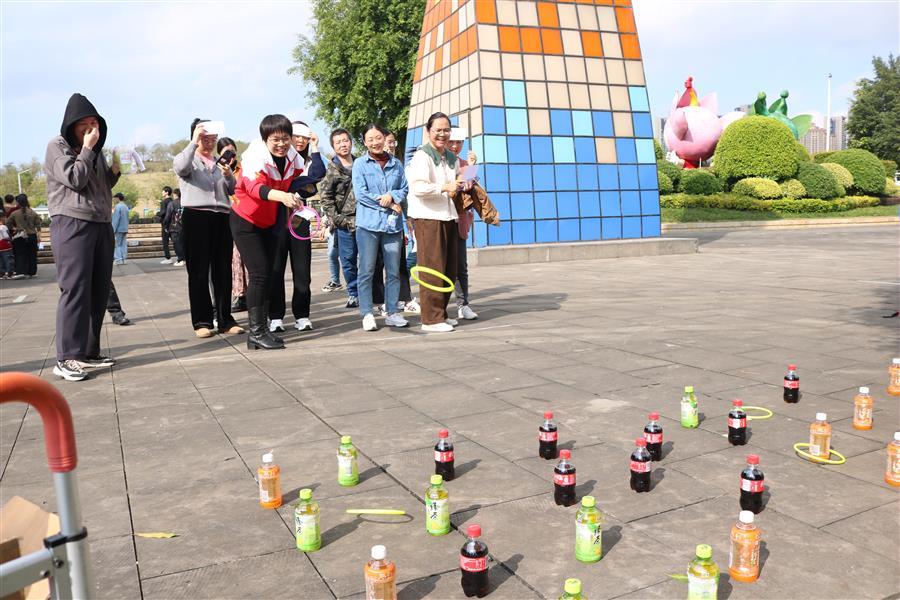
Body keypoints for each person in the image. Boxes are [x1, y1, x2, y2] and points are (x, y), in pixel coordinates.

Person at [44, 93, 120, 381]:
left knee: (98, 289)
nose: (91, 129)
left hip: (101, 222)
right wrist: (87, 149)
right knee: (75, 289)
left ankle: (88, 351)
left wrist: (114, 171)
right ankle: (67, 357)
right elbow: (74, 179)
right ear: (71, 125)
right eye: (84, 125)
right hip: (71, 223)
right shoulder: (57, 146)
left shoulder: (95, 151)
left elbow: (98, 184)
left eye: (95, 124)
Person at [231, 114, 304, 350]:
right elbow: (254, 188)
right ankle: (256, 332)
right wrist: (282, 196)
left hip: (271, 220)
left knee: (269, 275)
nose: (281, 144)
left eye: (285, 138)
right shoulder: (255, 155)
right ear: (265, 140)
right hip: (246, 220)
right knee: (259, 273)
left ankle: (261, 330)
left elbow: (301, 179)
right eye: (275, 139)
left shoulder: (293, 156)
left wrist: (300, 194)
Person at [173, 118, 243, 338]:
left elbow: (231, 189)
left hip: (221, 216)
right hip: (196, 216)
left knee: (223, 270)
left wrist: (228, 175)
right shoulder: (187, 158)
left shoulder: (219, 162)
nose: (210, 142)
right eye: (206, 138)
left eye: (213, 138)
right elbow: (181, 168)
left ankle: (225, 319)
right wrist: (194, 142)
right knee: (198, 271)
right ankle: (202, 321)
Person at [406, 112, 465, 333]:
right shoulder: (422, 156)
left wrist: (461, 182)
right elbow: (418, 187)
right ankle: (430, 319)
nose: (442, 134)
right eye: (438, 130)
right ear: (428, 131)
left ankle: (441, 313)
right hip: (428, 218)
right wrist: (444, 187)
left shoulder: (450, 157)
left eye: (446, 130)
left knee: (449, 269)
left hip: (448, 216)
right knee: (432, 268)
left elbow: (456, 181)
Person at [267, 121, 326, 333]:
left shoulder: (308, 162)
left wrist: (316, 147)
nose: (300, 140)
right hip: (275, 220)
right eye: (296, 136)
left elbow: (318, 174)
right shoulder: (275, 160)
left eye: (304, 137)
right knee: (275, 271)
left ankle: (302, 315)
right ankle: (275, 317)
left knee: (302, 271)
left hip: (299, 221)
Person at [351, 123, 409, 332]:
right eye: (370, 139)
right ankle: (367, 313)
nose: (375, 142)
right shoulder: (360, 164)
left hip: (393, 227)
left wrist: (392, 196)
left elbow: (404, 188)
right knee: (366, 271)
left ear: (384, 138)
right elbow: (361, 194)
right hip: (368, 226)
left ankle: (392, 312)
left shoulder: (396, 164)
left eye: (378, 137)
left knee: (393, 271)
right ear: (364, 142)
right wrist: (386, 203)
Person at [320, 128, 359, 308]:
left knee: (371, 260)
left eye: (345, 140)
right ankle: (354, 293)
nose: (343, 144)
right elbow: (326, 198)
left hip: (365, 220)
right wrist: (338, 220)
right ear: (333, 147)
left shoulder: (362, 164)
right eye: (338, 142)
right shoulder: (332, 169)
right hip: (345, 223)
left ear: (351, 142)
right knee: (348, 260)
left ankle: (371, 292)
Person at [214, 137, 250, 313]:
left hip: (245, 215)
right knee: (234, 259)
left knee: (247, 259)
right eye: (226, 153)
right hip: (228, 216)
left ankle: (251, 295)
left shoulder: (244, 168)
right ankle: (240, 295)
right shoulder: (215, 170)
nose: (231, 156)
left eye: (233, 152)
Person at [447, 128, 478, 320]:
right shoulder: (438, 161)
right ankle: (437, 307)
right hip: (440, 219)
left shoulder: (465, 164)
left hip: (459, 221)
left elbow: (468, 186)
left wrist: (472, 167)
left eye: (459, 142)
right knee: (440, 265)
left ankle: (463, 304)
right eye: (451, 141)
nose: (455, 146)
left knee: (460, 266)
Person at [7, 194, 41, 279]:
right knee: (32, 254)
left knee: (20, 254)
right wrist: (39, 236)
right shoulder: (33, 212)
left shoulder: (15, 213)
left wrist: (15, 228)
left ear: (18, 202)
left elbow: (8, 223)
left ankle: (21, 271)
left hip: (20, 236)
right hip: (32, 235)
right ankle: (32, 272)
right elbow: (38, 224)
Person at [321, 216, 342, 292]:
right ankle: (335, 281)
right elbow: (328, 213)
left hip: (343, 226)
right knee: (332, 256)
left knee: (349, 257)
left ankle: (336, 281)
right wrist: (324, 226)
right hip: (333, 229)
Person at [164, 188, 185, 266]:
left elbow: (168, 216)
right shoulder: (185, 203)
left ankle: (180, 259)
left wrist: (165, 226)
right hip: (185, 227)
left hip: (175, 227)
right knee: (184, 243)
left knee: (177, 244)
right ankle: (184, 259)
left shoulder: (172, 204)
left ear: (175, 194)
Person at [111, 192, 129, 264]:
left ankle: (118, 259)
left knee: (117, 244)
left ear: (118, 198)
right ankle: (124, 259)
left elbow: (116, 219)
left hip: (118, 228)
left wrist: (113, 229)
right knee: (123, 244)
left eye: (115, 198)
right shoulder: (126, 206)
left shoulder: (117, 207)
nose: (114, 200)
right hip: (125, 228)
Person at [158, 186, 174, 263]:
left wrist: (157, 213)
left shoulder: (164, 202)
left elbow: (163, 213)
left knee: (165, 242)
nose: (162, 192)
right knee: (176, 241)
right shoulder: (172, 201)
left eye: (163, 191)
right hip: (173, 224)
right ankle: (182, 257)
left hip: (165, 224)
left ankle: (168, 258)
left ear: (167, 192)